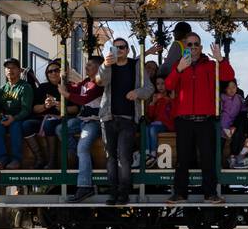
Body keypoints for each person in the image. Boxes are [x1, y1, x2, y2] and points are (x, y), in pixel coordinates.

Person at [164, 30, 235, 203]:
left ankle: (210, 193)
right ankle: (180, 193)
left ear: (201, 47)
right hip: (184, 120)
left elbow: (228, 76)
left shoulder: (211, 65)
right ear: (185, 47)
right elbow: (168, 85)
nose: (193, 47)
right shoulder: (178, 66)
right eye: (190, 44)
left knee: (207, 158)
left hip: (205, 120)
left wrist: (220, 59)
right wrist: (180, 69)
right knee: (183, 160)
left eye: (196, 44)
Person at [93, 37, 153, 205]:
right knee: (110, 157)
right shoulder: (107, 65)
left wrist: (137, 92)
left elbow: (149, 89)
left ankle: (123, 193)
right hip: (108, 117)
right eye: (115, 47)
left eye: (122, 47)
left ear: (127, 50)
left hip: (128, 119)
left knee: (124, 157)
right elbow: (100, 81)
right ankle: (113, 193)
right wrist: (105, 64)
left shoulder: (136, 66)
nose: (118, 50)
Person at [60, 56, 104, 202]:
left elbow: (84, 99)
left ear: (98, 67)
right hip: (82, 119)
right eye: (87, 64)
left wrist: (66, 93)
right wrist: (64, 81)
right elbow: (76, 89)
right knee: (61, 129)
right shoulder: (86, 81)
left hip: (94, 121)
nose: (86, 67)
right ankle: (83, 158)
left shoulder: (99, 83)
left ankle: (85, 186)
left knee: (83, 147)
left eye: (90, 65)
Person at [23, 61, 74, 168]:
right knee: (26, 125)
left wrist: (62, 107)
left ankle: (52, 161)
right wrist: (45, 106)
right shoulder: (42, 88)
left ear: (62, 72)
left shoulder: (71, 87)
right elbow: (34, 109)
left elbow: (76, 109)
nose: (53, 73)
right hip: (43, 119)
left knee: (49, 124)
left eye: (56, 70)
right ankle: (39, 158)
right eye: (50, 71)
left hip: (63, 119)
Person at [0, 58, 33, 169]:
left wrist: (14, 118)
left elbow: (26, 110)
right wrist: (0, 115)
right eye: (7, 68)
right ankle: (2, 159)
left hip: (20, 118)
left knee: (15, 126)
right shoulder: (1, 89)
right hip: (5, 118)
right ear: (5, 71)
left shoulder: (25, 87)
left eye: (13, 67)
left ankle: (16, 160)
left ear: (19, 70)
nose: (10, 70)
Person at [143, 76, 173, 167]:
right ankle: (147, 153)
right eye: (158, 84)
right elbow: (151, 116)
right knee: (146, 128)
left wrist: (169, 100)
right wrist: (153, 103)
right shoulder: (156, 98)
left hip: (166, 125)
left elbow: (171, 114)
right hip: (156, 124)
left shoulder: (170, 97)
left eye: (162, 84)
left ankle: (153, 154)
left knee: (152, 129)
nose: (160, 86)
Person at [220, 79, 244, 149]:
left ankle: (233, 155)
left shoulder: (239, 98)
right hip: (224, 123)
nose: (231, 89)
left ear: (236, 88)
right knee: (221, 141)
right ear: (225, 89)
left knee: (236, 137)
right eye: (228, 88)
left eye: (233, 87)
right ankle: (218, 158)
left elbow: (243, 109)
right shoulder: (222, 97)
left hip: (234, 123)